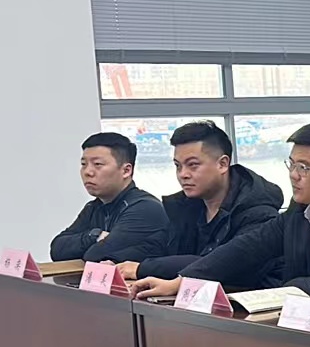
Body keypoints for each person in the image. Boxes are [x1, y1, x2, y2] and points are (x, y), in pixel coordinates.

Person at [132, 122, 310, 299]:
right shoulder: (300, 208)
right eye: (291, 164)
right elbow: (249, 246)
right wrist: (182, 281)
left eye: (304, 168)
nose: (293, 175)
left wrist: (273, 292)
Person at [114, 122, 284, 287]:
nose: (183, 174)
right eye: (178, 166)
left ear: (222, 164)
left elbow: (217, 264)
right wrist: (114, 262)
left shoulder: (258, 213)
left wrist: (142, 268)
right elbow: (159, 244)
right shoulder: (188, 206)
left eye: (193, 165)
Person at [50, 132, 169, 264]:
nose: (88, 172)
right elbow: (57, 249)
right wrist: (95, 235)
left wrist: (85, 245)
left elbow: (96, 255)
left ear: (126, 171)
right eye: (84, 164)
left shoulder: (145, 208)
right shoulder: (94, 207)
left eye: (97, 164)